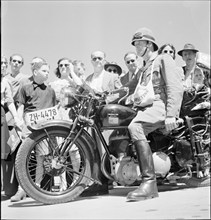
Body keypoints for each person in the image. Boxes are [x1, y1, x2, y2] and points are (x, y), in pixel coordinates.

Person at [124, 27, 184, 201]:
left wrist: (171, 114)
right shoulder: (143, 69)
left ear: (149, 44)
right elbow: (127, 89)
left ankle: (149, 184)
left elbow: (174, 86)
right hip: (146, 106)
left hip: (160, 104)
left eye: (138, 44)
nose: (136, 48)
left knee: (135, 126)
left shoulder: (163, 59)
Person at [10, 58, 57, 202]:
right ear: (35, 72)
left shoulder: (51, 91)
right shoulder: (25, 87)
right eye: (44, 71)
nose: (47, 73)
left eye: (48, 71)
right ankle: (21, 190)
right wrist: (19, 122)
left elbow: (53, 110)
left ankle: (36, 188)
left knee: (41, 158)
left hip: (44, 130)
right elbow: (21, 106)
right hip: (29, 128)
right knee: (23, 158)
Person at [1, 55, 23, 199]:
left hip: (3, 116)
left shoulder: (5, 82)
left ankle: (9, 187)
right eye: (0, 63)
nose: (3, 65)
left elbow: (9, 101)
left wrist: (16, 118)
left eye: (4, 63)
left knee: (5, 152)